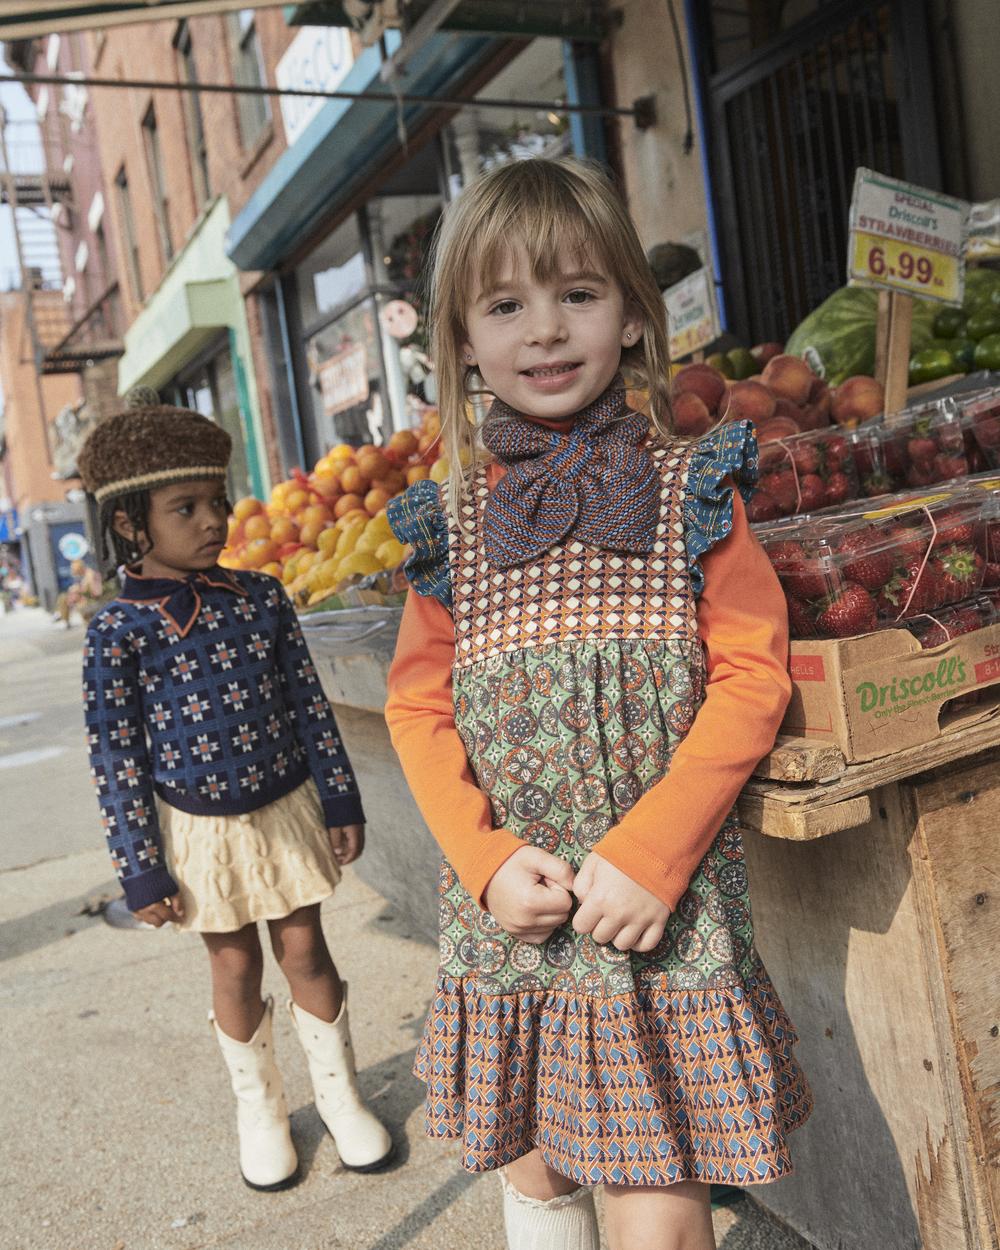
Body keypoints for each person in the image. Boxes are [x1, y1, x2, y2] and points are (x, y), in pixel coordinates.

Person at [383, 158, 812, 1250]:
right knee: (535, 1158)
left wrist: (655, 850)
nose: (544, 329)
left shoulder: (691, 487)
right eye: (504, 304)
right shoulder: (450, 523)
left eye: (576, 293)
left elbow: (753, 672)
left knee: (657, 1187)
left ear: (629, 314)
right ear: (463, 343)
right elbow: (419, 710)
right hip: (513, 906)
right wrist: (481, 861)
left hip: (653, 915)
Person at [77, 405, 392, 1192]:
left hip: (285, 807)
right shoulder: (117, 631)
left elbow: (309, 706)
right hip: (198, 829)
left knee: (306, 948)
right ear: (129, 524)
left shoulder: (261, 598)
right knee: (235, 963)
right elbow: (115, 757)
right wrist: (140, 869)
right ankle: (261, 1112)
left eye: (216, 501)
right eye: (185, 509)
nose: (213, 520)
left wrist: (340, 799)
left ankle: (341, 1096)